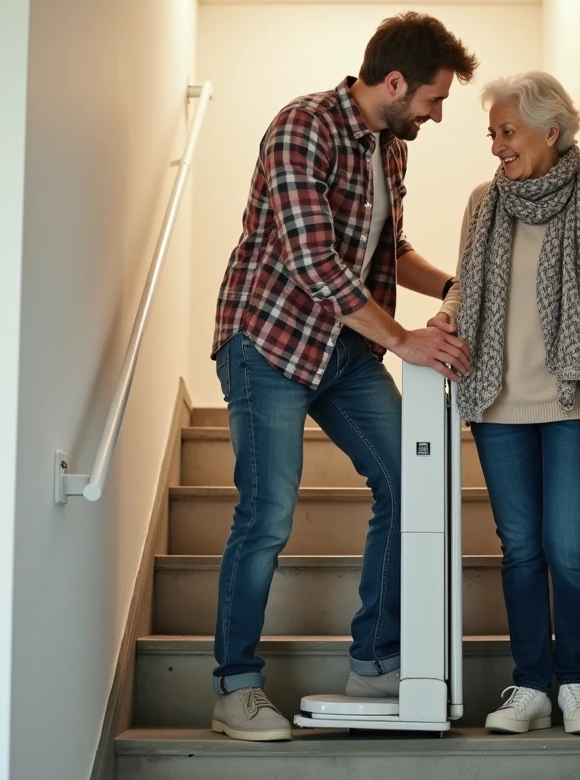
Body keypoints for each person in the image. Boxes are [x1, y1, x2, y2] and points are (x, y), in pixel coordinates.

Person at [209, 13, 477, 742]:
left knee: (409, 478)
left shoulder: (391, 149)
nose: (438, 113)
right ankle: (235, 686)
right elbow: (312, 261)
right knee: (267, 513)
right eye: (433, 98)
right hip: (268, 340)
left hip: (343, 351)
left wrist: (458, 286)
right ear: (394, 83)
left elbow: (392, 251)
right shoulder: (303, 126)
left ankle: (377, 659)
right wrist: (403, 342)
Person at [434, 72, 580, 736]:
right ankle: (530, 684)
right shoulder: (480, 205)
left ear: (551, 129)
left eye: (507, 131)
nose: (496, 147)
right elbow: (467, 291)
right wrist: (443, 320)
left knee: (569, 546)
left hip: (574, 402)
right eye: (492, 134)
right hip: (496, 404)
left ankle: (576, 682)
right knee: (519, 548)